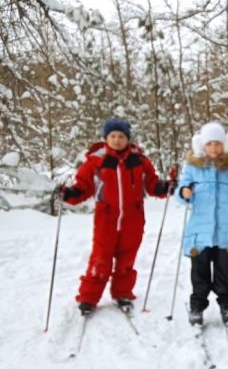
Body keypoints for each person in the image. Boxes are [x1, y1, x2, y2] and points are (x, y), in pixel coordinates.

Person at [60, 117, 175, 315]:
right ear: (106, 138)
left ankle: (122, 293)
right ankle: (88, 297)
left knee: (127, 258)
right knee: (100, 258)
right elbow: (83, 187)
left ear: (128, 138)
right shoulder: (97, 161)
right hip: (106, 218)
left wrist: (165, 187)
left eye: (121, 136)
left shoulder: (139, 161)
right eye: (112, 136)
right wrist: (69, 193)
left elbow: (152, 184)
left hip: (133, 218)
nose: (117, 140)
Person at [177, 122, 228, 326]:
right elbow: (183, 190)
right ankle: (197, 305)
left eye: (217, 144)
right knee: (199, 270)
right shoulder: (193, 168)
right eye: (209, 144)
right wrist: (184, 192)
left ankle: (226, 304)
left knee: (223, 270)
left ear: (224, 145)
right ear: (202, 145)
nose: (213, 148)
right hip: (200, 231)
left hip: (225, 230)